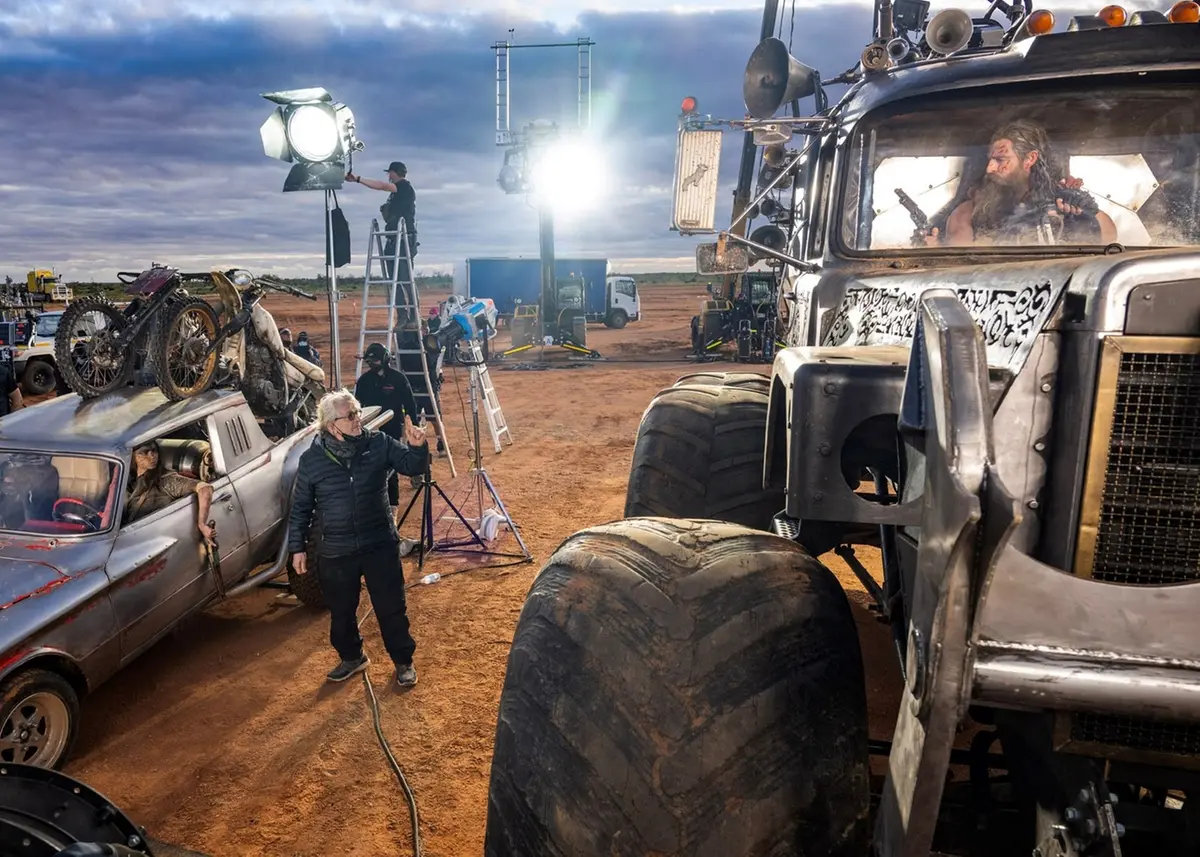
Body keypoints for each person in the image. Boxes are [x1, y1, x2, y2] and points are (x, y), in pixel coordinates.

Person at [287, 389, 429, 688]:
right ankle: (352, 657)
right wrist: (297, 547)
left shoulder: (377, 443)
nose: (357, 419)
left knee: (391, 607)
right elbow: (301, 507)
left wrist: (417, 447)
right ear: (330, 425)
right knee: (341, 612)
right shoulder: (312, 460)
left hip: (379, 544)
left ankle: (403, 661)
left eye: (357, 412)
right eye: (350, 415)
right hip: (337, 550)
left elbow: (412, 466)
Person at [927, 119, 1118, 247]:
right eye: (990, 160)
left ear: (1029, 159)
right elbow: (961, 264)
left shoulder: (1061, 202)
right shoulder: (971, 212)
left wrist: (1083, 214)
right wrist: (933, 250)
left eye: (1001, 160)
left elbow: (1109, 238)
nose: (990, 168)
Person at [353, 342, 420, 549]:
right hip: (370, 435)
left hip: (392, 433)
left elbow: (410, 405)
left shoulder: (398, 379)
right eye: (368, 360)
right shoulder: (364, 381)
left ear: (384, 359)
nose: (371, 363)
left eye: (374, 359)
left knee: (391, 473)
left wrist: (412, 427)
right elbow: (357, 406)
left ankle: (392, 513)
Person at [345, 161, 418, 316]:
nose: (388, 176)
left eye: (390, 173)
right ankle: (402, 316)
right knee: (394, 281)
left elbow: (381, 185)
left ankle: (413, 315)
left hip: (404, 239)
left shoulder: (404, 187)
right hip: (393, 239)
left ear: (396, 172)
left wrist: (358, 179)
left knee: (405, 280)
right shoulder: (396, 192)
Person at [124, 441, 215, 543]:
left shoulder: (166, 481)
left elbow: (205, 488)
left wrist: (202, 524)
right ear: (133, 457)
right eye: (144, 452)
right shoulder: (127, 482)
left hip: (153, 539)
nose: (152, 456)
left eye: (154, 451)